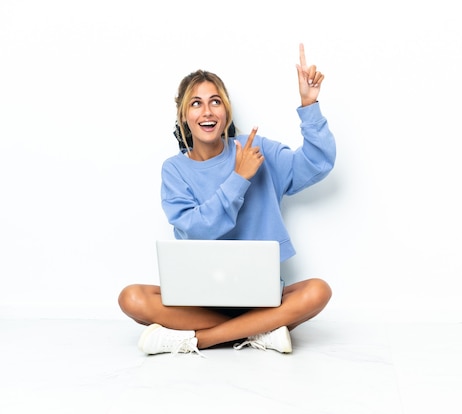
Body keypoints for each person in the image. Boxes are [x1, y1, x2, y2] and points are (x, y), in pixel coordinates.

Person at [117, 44, 336, 356]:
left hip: (261, 297)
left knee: (318, 291)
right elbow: (198, 230)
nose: (207, 111)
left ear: (226, 111)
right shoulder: (174, 170)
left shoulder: (256, 148)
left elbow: (317, 164)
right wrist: (239, 178)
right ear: (184, 115)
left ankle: (198, 339)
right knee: (132, 297)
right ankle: (260, 330)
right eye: (196, 104)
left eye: (215, 102)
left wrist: (309, 107)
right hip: (199, 302)